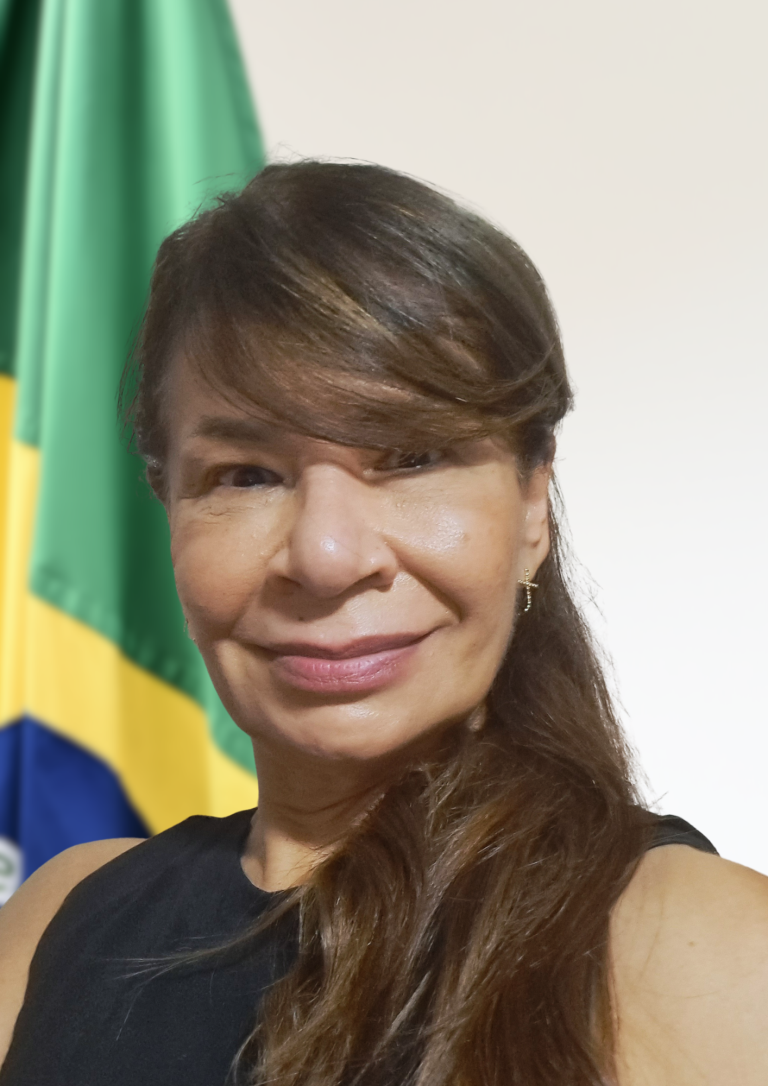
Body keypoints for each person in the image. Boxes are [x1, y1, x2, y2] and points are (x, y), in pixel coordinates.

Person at [1, 161, 767, 1086]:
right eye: (246, 475)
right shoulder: (57, 924)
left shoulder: (702, 949)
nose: (327, 556)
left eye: (411, 458)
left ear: (533, 506)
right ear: (169, 507)